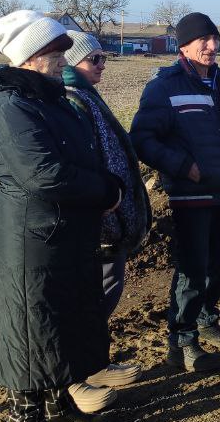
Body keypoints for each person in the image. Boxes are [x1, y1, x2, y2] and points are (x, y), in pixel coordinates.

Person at [0, 10, 122, 422]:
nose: (63, 59)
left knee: (62, 320)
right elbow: (44, 173)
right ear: (30, 55)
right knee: (29, 327)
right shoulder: (11, 106)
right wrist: (105, 191)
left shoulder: (49, 99)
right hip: (29, 239)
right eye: (55, 52)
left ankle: (59, 408)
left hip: (62, 232)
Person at [131, 12, 220, 372]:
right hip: (191, 194)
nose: (212, 47)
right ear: (184, 45)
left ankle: (207, 320)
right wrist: (186, 168)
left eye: (214, 39)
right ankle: (181, 340)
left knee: (218, 262)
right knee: (192, 268)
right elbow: (142, 139)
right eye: (204, 41)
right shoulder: (164, 87)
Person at [63, 30, 153, 397]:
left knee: (106, 293)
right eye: (94, 59)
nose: (102, 65)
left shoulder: (86, 95)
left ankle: (95, 363)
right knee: (89, 300)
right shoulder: (71, 100)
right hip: (98, 218)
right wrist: (106, 200)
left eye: (103, 57)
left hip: (111, 215)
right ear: (71, 63)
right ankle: (74, 377)